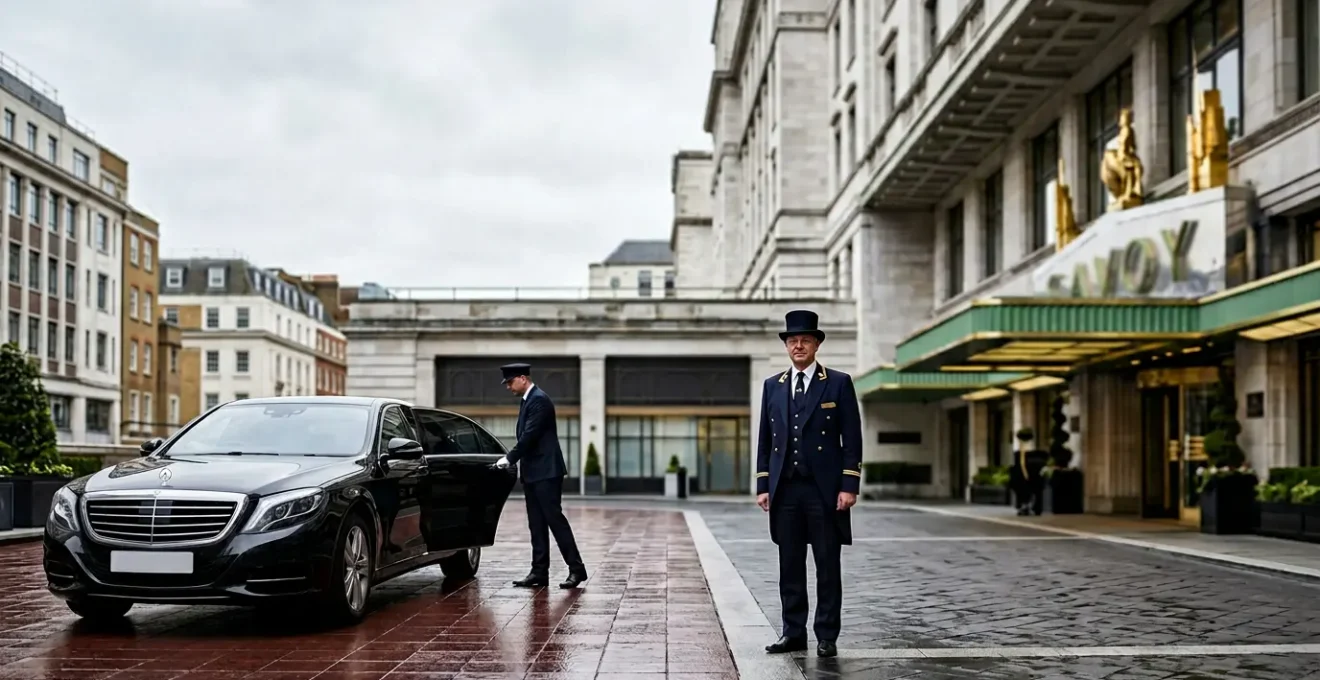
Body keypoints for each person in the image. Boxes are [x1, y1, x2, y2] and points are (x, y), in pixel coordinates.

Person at [756, 310, 863, 659]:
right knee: (789, 564)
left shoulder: (838, 382)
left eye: (804, 340)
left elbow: (853, 438)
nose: (798, 345)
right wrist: (763, 484)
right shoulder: (773, 386)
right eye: (792, 340)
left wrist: (849, 486)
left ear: (816, 344)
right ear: (786, 345)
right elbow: (765, 439)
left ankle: (827, 635)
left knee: (827, 564)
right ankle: (793, 632)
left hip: (825, 491)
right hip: (786, 489)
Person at [494, 363, 587, 589]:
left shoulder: (539, 400)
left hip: (546, 472)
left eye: (510, 382)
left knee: (555, 521)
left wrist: (509, 458)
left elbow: (530, 437)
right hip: (534, 472)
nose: (508, 387)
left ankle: (577, 570)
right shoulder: (529, 400)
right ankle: (539, 573)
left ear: (522, 378)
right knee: (536, 524)